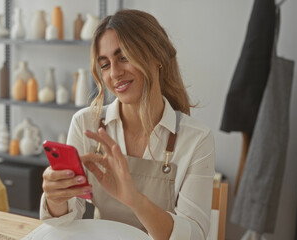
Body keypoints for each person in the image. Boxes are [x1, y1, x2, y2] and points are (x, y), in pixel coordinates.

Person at [40, 9, 215, 240]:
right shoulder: (85, 124)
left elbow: (195, 235)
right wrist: (55, 197)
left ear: (157, 56)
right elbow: (67, 220)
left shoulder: (196, 140)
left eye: (124, 57)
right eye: (105, 64)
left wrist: (135, 199)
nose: (115, 73)